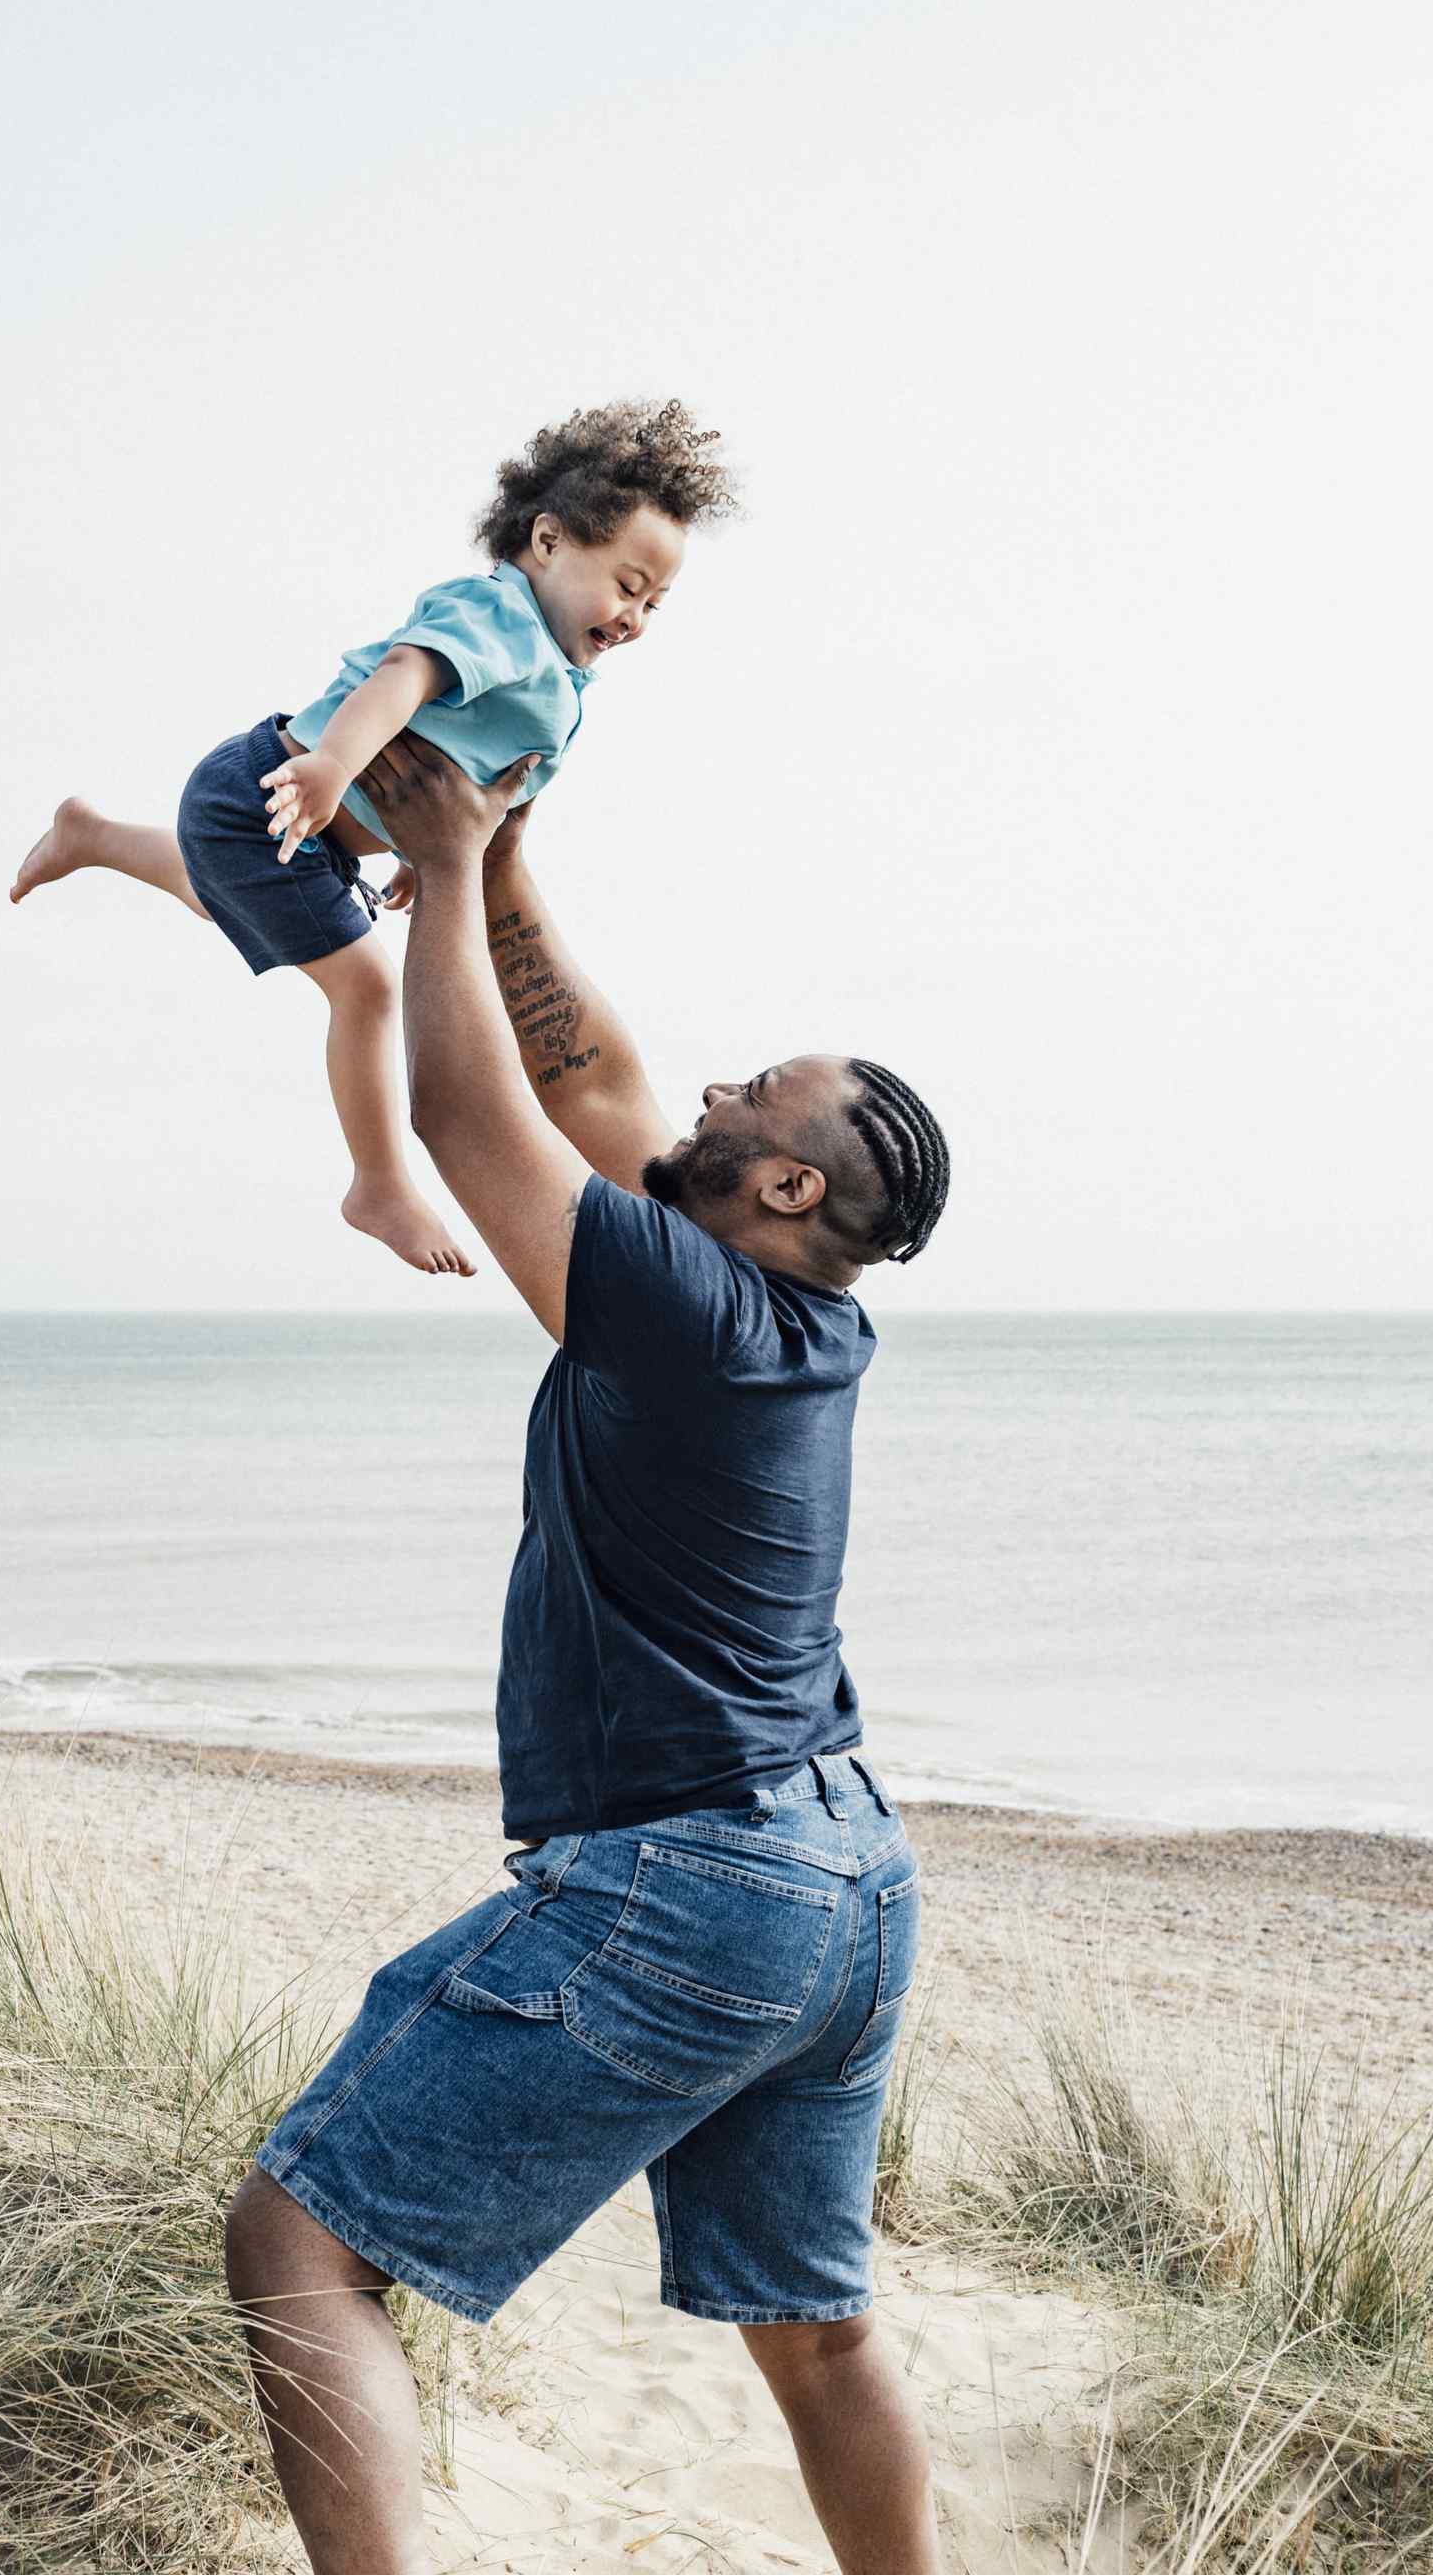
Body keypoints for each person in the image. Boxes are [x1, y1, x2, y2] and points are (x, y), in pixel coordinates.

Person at [221, 736, 958, 2575]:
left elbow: (478, 1127)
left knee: (296, 2240)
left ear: (781, 1189)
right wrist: (508, 850)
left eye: (756, 1096)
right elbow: (591, 1070)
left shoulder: (689, 1305)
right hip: (844, 1878)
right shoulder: (780, 1295)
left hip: (698, 1874)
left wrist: (451, 874)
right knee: (815, 2329)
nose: (707, 1086)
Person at [6, 399, 736, 1277]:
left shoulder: (560, 677)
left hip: (308, 838)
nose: (637, 617)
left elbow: (474, 786)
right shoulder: (500, 619)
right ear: (547, 542)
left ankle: (93, 834)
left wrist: (430, 869)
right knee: (368, 989)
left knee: (237, 900)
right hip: (271, 790)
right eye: (626, 585)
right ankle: (378, 1183)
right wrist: (332, 768)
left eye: (657, 603)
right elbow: (405, 674)